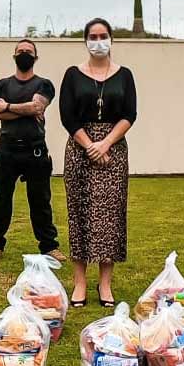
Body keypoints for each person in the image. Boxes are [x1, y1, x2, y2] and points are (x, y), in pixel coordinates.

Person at [59, 18, 137, 308]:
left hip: (113, 148)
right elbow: (67, 115)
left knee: (110, 216)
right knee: (79, 211)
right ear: (85, 40)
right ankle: (79, 283)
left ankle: (105, 283)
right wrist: (90, 145)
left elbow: (130, 113)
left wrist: (105, 143)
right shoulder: (73, 74)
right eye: (93, 36)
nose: (98, 40)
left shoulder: (124, 75)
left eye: (103, 35)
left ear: (111, 39)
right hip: (80, 146)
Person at [0, 38, 65, 262]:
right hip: (7, 150)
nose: (24, 54)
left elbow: (37, 106)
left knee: (40, 201)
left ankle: (49, 247)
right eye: (21, 51)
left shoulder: (44, 84)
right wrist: (25, 109)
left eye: (29, 51)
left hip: (35, 150)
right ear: (14, 56)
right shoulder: (2, 85)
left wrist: (9, 106)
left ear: (35, 57)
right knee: (1, 199)